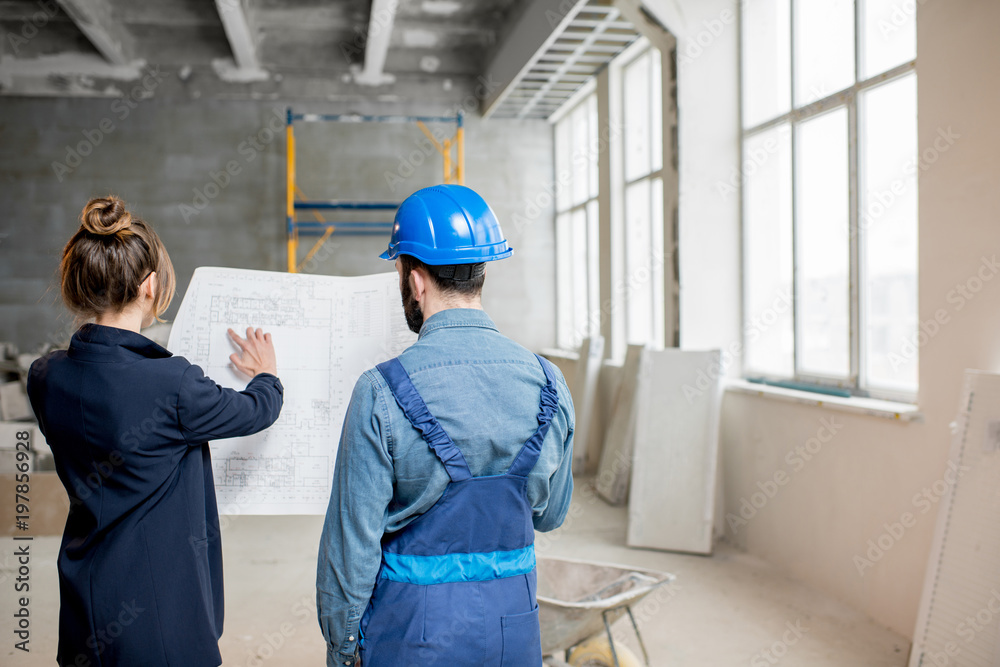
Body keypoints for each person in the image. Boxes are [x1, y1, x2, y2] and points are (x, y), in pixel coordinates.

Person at [316, 184, 575, 667]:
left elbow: (351, 547)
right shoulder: (550, 383)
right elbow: (551, 514)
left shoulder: (380, 390)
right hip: (512, 628)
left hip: (413, 632)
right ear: (482, 272)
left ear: (414, 280)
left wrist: (342, 646)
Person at [26, 196, 284, 667]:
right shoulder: (172, 385)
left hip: (84, 612)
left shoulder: (45, 377)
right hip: (161, 626)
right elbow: (255, 412)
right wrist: (266, 374)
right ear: (149, 286)